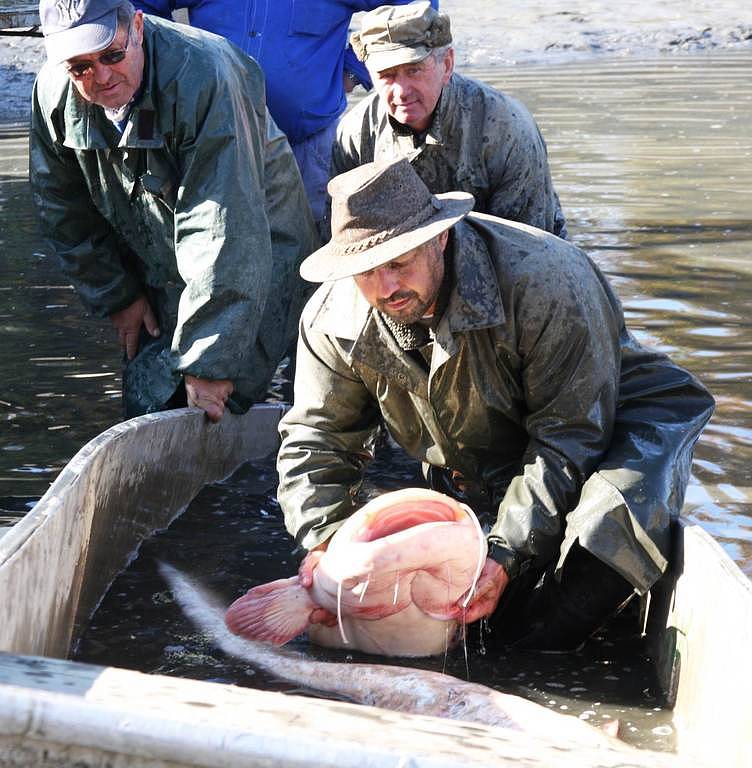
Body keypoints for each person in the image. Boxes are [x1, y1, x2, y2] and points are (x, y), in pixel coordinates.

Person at [276, 158, 715, 652]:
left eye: (398, 263)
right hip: (480, 444)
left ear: (438, 237)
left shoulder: (545, 281)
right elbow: (317, 439)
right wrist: (326, 542)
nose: (385, 288)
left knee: (592, 556)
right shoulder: (330, 319)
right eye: (365, 272)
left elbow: (568, 437)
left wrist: (505, 553)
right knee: (459, 602)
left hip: (614, 421)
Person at [30, 0, 319, 421]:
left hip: (259, 252)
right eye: (80, 67)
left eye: (112, 55)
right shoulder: (52, 93)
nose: (103, 77)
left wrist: (209, 362)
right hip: (159, 257)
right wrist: (117, 294)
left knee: (224, 402)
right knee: (148, 405)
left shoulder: (204, 74)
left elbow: (222, 224)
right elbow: (62, 206)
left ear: (139, 28)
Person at [134, 0, 438, 230]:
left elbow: (414, 8)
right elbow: (137, 11)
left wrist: (357, 70)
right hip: (212, 143)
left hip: (309, 148)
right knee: (216, 248)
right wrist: (173, 67)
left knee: (316, 249)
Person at [332, 2, 568, 238]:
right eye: (387, 75)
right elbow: (345, 239)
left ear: (446, 65)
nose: (402, 90)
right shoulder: (354, 135)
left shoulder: (507, 130)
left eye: (414, 70)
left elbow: (528, 246)